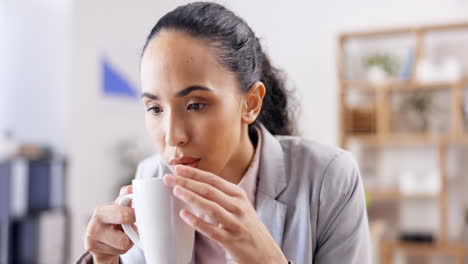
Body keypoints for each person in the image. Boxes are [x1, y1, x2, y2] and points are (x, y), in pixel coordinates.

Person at [77, 2, 370, 263]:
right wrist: (105, 261)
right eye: (155, 108)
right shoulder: (150, 176)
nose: (172, 137)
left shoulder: (329, 178)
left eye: (195, 105)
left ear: (250, 103)